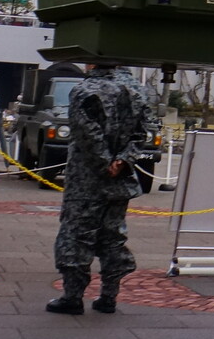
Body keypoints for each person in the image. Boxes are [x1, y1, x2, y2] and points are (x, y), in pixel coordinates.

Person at [47, 63, 150, 315]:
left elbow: (86, 133)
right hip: (120, 178)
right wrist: (123, 160)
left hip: (86, 178)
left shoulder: (84, 89)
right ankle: (108, 296)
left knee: (76, 234)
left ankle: (72, 297)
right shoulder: (137, 89)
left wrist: (105, 162)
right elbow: (145, 131)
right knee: (112, 235)